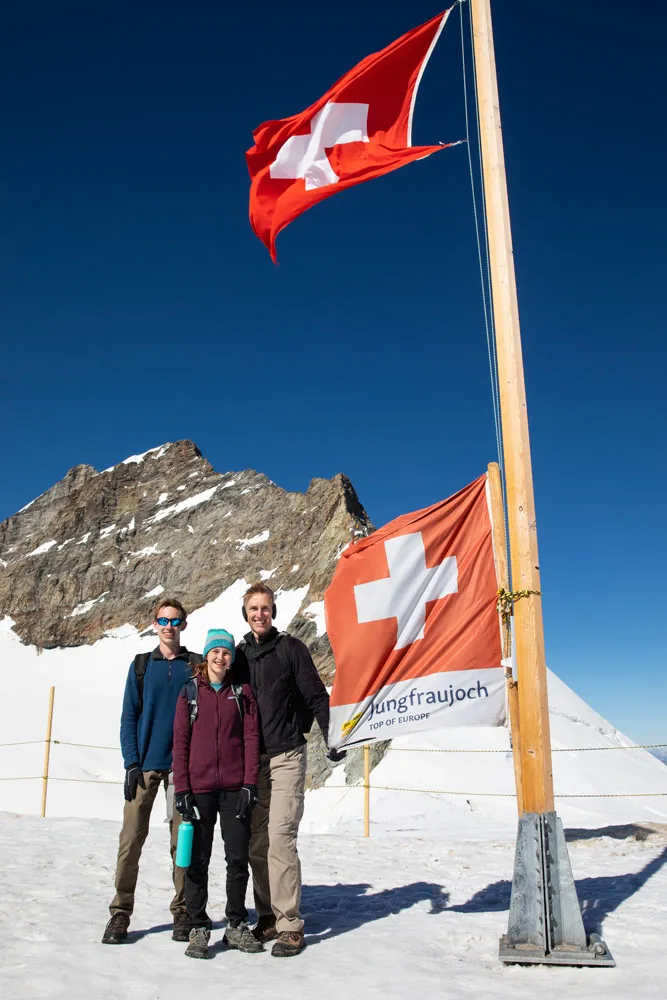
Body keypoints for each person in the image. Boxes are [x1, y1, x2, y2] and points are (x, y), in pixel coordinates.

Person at [238, 582, 344, 958]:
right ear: (246, 613)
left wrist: (333, 736)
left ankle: (290, 926)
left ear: (273, 612)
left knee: (281, 837)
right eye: (253, 608)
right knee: (257, 844)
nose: (259, 614)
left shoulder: (290, 649)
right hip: (253, 763)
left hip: (286, 756)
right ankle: (267, 916)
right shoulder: (240, 654)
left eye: (265, 608)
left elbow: (317, 695)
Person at [102, 598, 202, 945]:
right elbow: (129, 716)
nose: (169, 626)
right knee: (130, 840)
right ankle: (120, 912)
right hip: (145, 767)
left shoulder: (196, 665)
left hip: (183, 770)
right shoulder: (142, 665)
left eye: (175, 620)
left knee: (182, 843)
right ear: (155, 624)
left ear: (183, 625)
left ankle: (183, 910)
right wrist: (131, 762)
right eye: (163, 620)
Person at [172, 628, 261, 960]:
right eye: (215, 652)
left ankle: (236, 924)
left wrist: (250, 783)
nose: (221, 657)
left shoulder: (242, 693)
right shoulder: (190, 693)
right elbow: (180, 743)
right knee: (197, 859)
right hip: (198, 789)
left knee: (237, 858)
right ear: (206, 656)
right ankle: (198, 925)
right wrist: (182, 788)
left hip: (235, 789)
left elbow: (251, 739)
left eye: (225, 653)